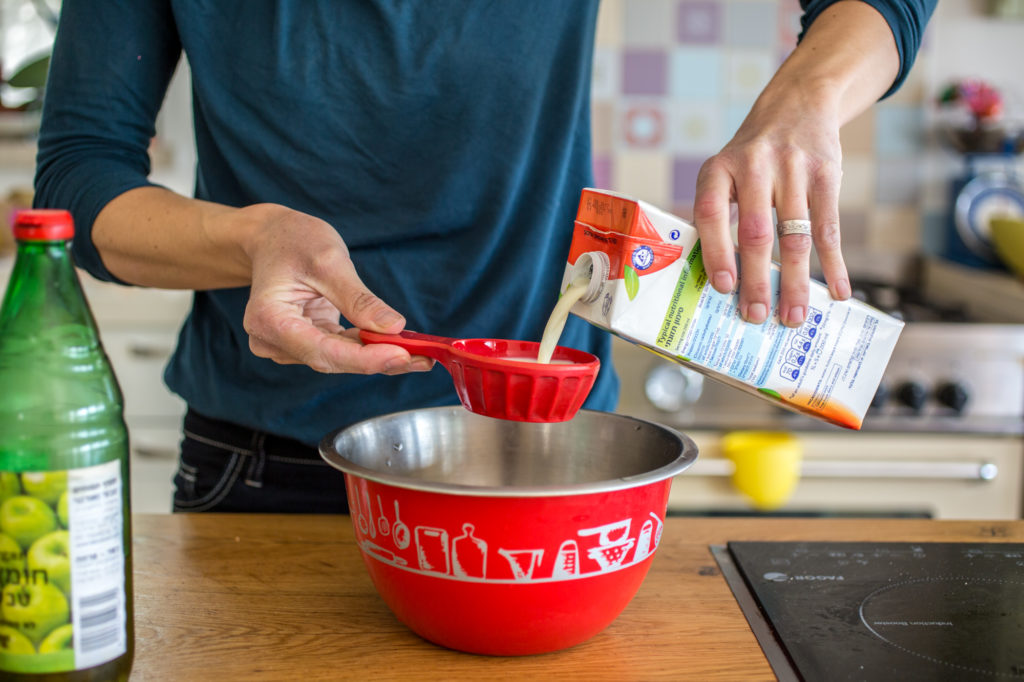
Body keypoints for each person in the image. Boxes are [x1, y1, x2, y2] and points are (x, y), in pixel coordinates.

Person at [33, 0, 935, 513]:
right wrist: (251, 238)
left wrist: (806, 97)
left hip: (557, 460)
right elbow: (77, 181)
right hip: (270, 467)